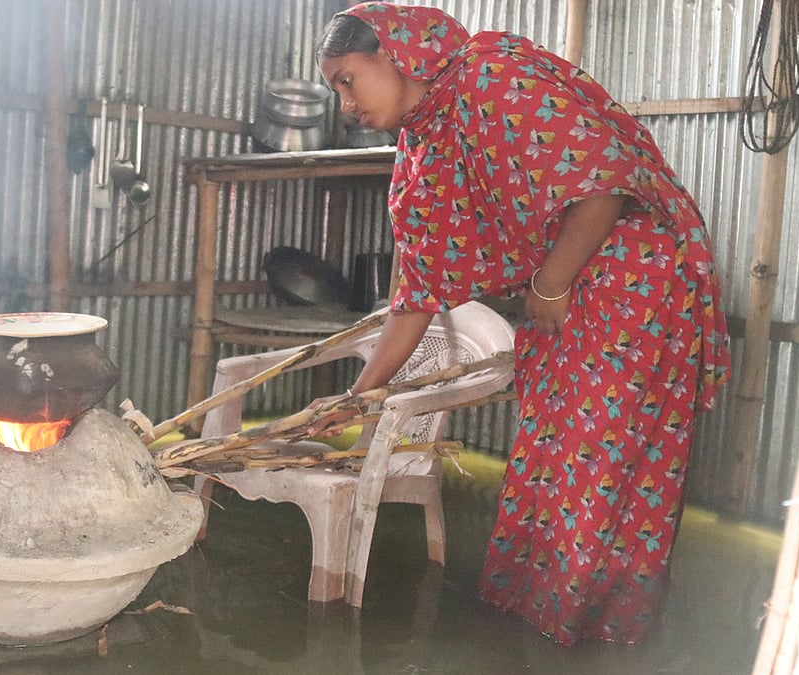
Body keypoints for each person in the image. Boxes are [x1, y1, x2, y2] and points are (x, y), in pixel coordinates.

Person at [310, 2, 730, 646]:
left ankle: (595, 633)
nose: (345, 103)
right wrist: (359, 394)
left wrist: (550, 282)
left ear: (397, 54)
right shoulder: (425, 144)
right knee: (549, 459)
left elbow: (602, 184)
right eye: (333, 87)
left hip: (630, 281)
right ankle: (543, 629)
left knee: (595, 466)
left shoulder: (488, 78)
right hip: (569, 290)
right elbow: (415, 293)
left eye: (346, 79)